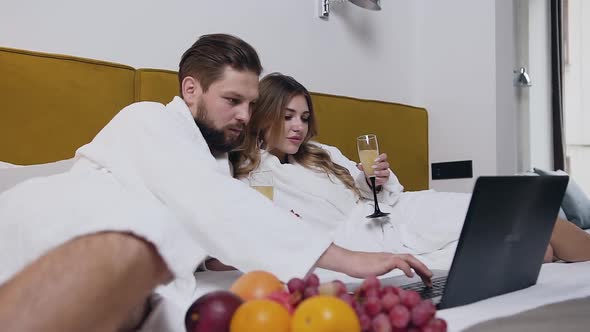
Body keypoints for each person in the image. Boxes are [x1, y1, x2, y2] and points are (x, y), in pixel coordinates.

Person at [0, 35, 433, 331]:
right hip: (61, 226)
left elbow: (199, 225)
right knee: (137, 240)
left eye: (250, 103)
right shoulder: (148, 119)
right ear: (191, 89)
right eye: (232, 101)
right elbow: (215, 207)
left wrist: (216, 258)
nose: (246, 116)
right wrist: (351, 259)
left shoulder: (213, 159)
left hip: (123, 262)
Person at [230, 72, 590, 265]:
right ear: (263, 114)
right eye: (288, 116)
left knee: (530, 215)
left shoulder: (322, 153)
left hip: (403, 214)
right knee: (535, 250)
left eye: (305, 118)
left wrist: (379, 179)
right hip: (366, 242)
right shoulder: (251, 173)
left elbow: (382, 193)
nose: (299, 127)